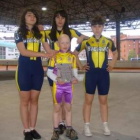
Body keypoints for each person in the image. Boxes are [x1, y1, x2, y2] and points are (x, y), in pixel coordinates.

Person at [45, 9, 89, 134]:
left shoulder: (71, 31)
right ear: (54, 19)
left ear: (66, 19)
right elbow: (40, 36)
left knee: (66, 101)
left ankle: (64, 123)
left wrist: (77, 49)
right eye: (57, 17)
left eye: (63, 18)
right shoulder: (49, 32)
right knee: (57, 101)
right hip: (54, 68)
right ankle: (58, 125)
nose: (60, 20)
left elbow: (86, 39)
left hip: (68, 68)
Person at [74, 15, 118, 136]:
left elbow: (115, 53)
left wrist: (112, 65)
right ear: (91, 27)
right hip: (91, 75)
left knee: (103, 100)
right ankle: (86, 125)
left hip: (104, 75)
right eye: (94, 26)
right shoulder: (87, 42)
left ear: (103, 27)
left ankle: (105, 125)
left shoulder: (108, 41)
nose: (97, 29)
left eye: (99, 26)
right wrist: (81, 66)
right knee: (88, 100)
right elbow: (75, 53)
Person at [14, 8, 53, 140]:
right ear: (24, 18)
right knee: (25, 101)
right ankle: (26, 130)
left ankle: (32, 128)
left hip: (37, 69)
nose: (32, 17)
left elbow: (49, 50)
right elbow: (23, 52)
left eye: (34, 15)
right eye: (29, 15)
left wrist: (65, 51)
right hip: (24, 69)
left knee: (34, 100)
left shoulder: (40, 33)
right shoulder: (19, 32)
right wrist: (43, 54)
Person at [47, 34, 79, 140]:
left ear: (70, 44)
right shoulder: (54, 57)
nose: (65, 45)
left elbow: (74, 71)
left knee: (68, 108)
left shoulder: (72, 57)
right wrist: (57, 79)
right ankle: (56, 130)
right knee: (57, 108)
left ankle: (69, 129)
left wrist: (75, 78)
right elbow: (49, 72)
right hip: (58, 87)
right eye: (62, 43)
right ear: (58, 44)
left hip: (69, 87)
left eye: (67, 42)